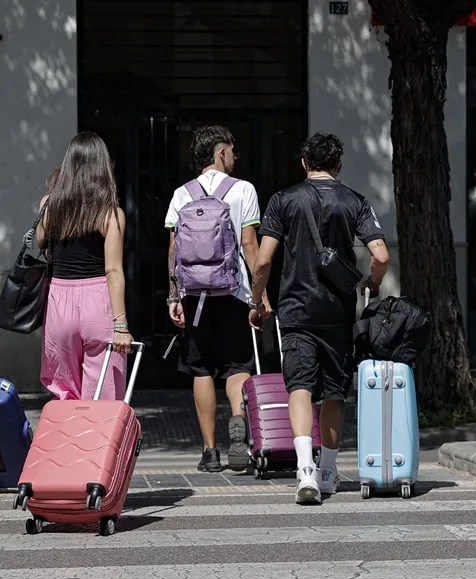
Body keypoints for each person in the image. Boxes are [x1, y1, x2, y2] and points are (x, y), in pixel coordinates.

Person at [248, 132, 389, 503]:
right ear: (338, 164)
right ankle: (327, 471)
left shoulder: (283, 200)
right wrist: (370, 285)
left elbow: (263, 260)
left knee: (299, 387)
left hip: (296, 309)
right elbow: (381, 255)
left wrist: (257, 300)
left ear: (304, 162)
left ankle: (304, 470)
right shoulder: (355, 201)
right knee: (334, 392)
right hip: (338, 312)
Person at [165, 125, 267, 473]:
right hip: (234, 291)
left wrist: (173, 295)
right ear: (221, 152)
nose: (235, 157)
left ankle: (210, 451)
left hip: (194, 294)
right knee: (238, 366)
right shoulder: (243, 190)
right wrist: (260, 295)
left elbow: (174, 249)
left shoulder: (181, 194)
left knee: (201, 369)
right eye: (232, 151)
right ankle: (238, 423)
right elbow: (250, 245)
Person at [37, 132, 133, 400]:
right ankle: (98, 442)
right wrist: (121, 324)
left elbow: (41, 241)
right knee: (104, 392)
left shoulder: (50, 205)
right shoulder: (110, 213)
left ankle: (69, 439)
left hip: (59, 300)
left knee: (64, 390)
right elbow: (113, 270)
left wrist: (53, 196)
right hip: (98, 301)